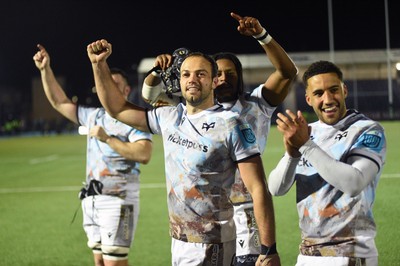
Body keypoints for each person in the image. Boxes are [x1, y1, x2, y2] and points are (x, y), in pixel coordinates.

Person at [87, 39, 280, 266]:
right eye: (186, 74)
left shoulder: (232, 124)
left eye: (200, 74)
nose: (192, 80)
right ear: (179, 80)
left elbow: (258, 188)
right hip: (179, 240)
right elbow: (118, 108)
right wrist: (99, 65)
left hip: (214, 243)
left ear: (214, 80)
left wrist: (268, 250)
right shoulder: (169, 117)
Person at [141, 12, 298, 265]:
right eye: (220, 74)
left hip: (247, 211)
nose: (224, 79)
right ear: (212, 79)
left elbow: (288, 72)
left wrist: (261, 35)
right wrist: (157, 70)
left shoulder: (256, 104)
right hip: (207, 218)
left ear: (240, 76)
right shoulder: (189, 112)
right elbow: (150, 95)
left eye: (231, 73)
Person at [33, 44, 153, 266]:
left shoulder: (134, 119)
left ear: (126, 91)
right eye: (104, 83)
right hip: (92, 199)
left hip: (119, 200)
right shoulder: (92, 115)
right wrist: (45, 70)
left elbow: (144, 154)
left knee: (114, 262)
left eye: (114, 84)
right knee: (98, 262)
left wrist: (108, 139)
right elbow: (60, 102)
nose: (106, 87)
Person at [268, 60, 386, 266]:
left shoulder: (367, 129)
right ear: (308, 99)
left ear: (345, 90)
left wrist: (305, 145)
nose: (328, 99)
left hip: (350, 252)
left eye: (334, 90)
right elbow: (276, 188)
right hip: (308, 253)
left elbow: (354, 184)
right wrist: (292, 154)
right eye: (319, 93)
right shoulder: (307, 132)